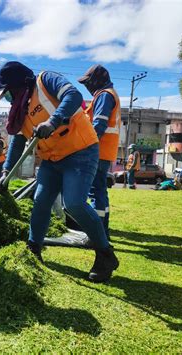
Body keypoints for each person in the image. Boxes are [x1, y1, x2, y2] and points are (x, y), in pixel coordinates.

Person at [0, 61, 119, 283]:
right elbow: (17, 141)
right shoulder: (19, 110)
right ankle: (34, 248)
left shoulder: (45, 80)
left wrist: (52, 122)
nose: (8, 99)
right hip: (52, 160)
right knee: (41, 200)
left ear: (18, 85)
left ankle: (105, 254)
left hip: (80, 151)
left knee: (74, 203)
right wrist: (6, 173)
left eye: (8, 93)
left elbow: (73, 96)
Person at [78, 64, 120, 241]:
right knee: (100, 192)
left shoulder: (104, 95)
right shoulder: (109, 94)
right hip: (104, 151)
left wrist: (86, 147)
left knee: (95, 192)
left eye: (88, 82)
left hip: (97, 150)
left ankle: (96, 235)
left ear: (96, 81)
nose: (87, 86)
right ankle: (103, 231)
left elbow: (99, 125)